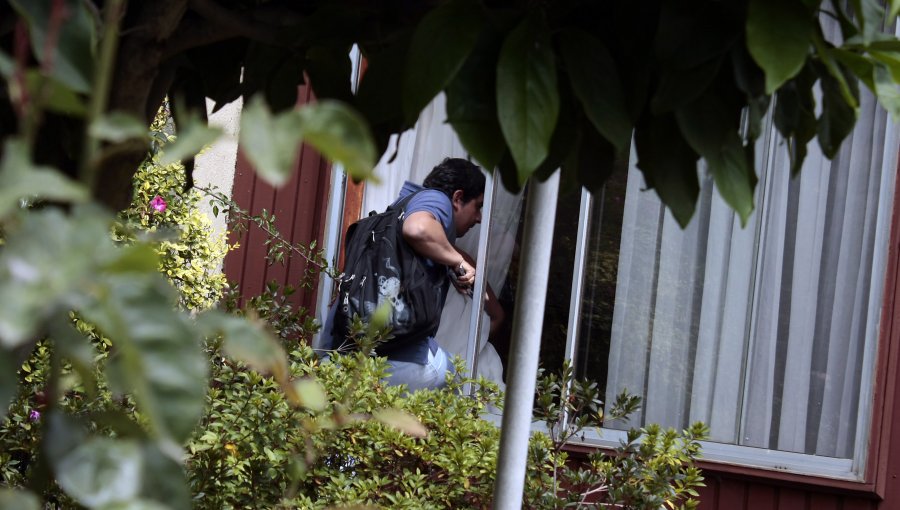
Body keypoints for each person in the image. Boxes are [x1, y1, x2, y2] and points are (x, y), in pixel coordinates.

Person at [324, 157, 486, 391]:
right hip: (398, 358)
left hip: (339, 352)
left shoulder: (397, 212)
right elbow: (418, 228)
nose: (479, 218)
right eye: (478, 206)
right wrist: (458, 261)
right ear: (458, 198)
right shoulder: (436, 198)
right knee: (457, 380)